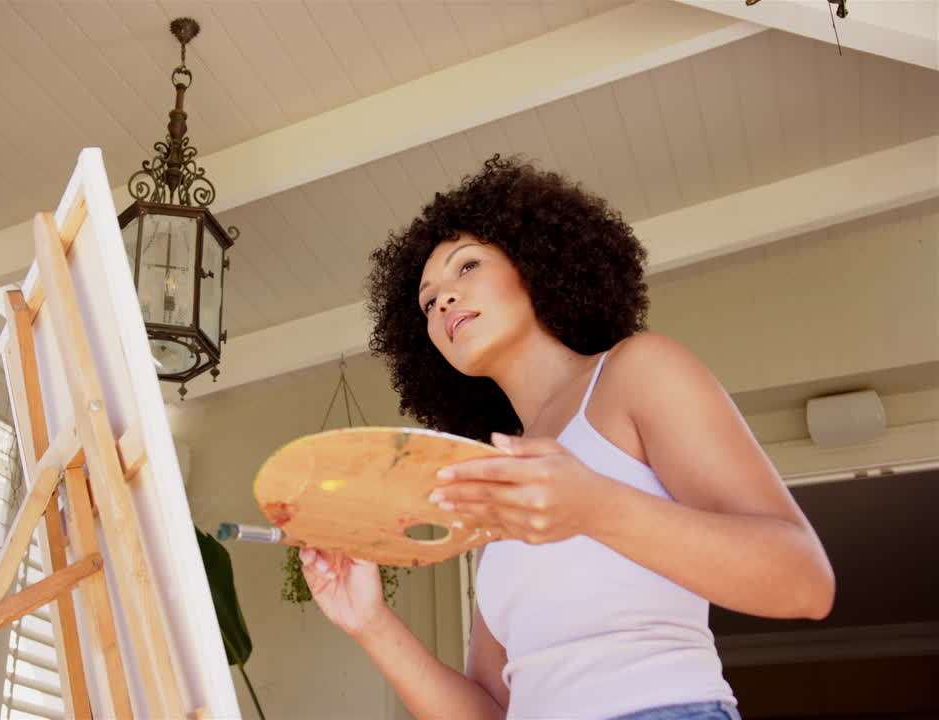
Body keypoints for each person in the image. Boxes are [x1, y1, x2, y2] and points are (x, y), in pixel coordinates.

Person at [298, 155, 835, 720]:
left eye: (467, 266)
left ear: (534, 263)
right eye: (428, 302)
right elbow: (489, 711)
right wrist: (370, 623)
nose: (444, 301)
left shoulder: (638, 372)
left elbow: (803, 581)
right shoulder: (506, 475)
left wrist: (593, 506)